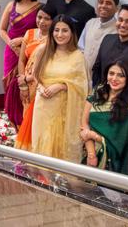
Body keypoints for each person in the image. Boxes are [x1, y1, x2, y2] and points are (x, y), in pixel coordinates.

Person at [28, 16, 88, 162]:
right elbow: (35, 74)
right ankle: (41, 174)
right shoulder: (43, 50)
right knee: (43, 141)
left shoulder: (78, 56)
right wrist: (40, 87)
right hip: (43, 105)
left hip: (65, 108)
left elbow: (82, 85)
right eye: (56, 30)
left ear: (72, 33)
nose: (60, 34)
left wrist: (61, 86)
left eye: (65, 30)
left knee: (60, 143)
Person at [81, 60, 128, 176]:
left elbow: (122, 141)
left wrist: (93, 135)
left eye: (121, 75)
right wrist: (91, 154)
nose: (114, 78)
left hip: (113, 163)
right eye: (111, 73)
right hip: (89, 152)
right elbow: (84, 123)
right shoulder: (98, 91)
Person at [0, 0, 41, 127]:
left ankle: (24, 119)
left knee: (26, 81)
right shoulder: (11, 5)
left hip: (30, 49)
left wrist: (23, 39)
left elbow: (42, 31)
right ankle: (13, 119)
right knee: (11, 83)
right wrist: (11, 43)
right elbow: (2, 29)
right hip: (11, 51)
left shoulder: (39, 7)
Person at [14, 4, 54, 150]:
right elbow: (21, 61)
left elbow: (46, 68)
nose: (42, 21)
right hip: (26, 83)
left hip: (40, 84)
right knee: (26, 115)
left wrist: (27, 79)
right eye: (39, 17)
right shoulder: (29, 33)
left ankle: (36, 149)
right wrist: (22, 84)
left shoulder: (54, 39)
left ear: (53, 21)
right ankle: (27, 149)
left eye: (47, 19)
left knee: (37, 117)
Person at [91, 4, 128, 89]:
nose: (123, 25)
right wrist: (97, 92)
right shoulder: (107, 39)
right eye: (120, 20)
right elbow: (97, 68)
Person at [78, 0, 119, 87]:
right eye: (101, 2)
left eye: (108, 3)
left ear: (116, 9)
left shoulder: (118, 30)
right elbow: (80, 48)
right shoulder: (90, 23)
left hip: (100, 82)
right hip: (80, 77)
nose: (103, 6)